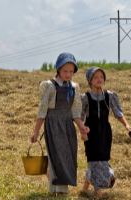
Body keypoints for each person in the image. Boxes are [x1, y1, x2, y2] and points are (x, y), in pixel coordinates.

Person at [30, 53, 89, 195]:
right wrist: (36, 131)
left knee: (68, 155)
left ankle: (59, 187)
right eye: (65, 71)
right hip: (53, 124)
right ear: (58, 69)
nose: (68, 74)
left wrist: (81, 126)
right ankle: (59, 190)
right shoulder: (50, 86)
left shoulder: (74, 87)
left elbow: (75, 110)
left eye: (71, 71)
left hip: (67, 125)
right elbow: (42, 110)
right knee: (57, 155)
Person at [80, 67, 131, 198]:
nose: (99, 79)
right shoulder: (85, 98)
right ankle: (98, 193)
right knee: (93, 160)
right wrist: (82, 131)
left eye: (101, 77)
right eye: (96, 77)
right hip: (90, 132)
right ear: (90, 80)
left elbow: (118, 113)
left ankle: (85, 187)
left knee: (102, 159)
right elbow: (79, 117)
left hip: (105, 133)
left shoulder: (109, 96)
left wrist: (127, 125)